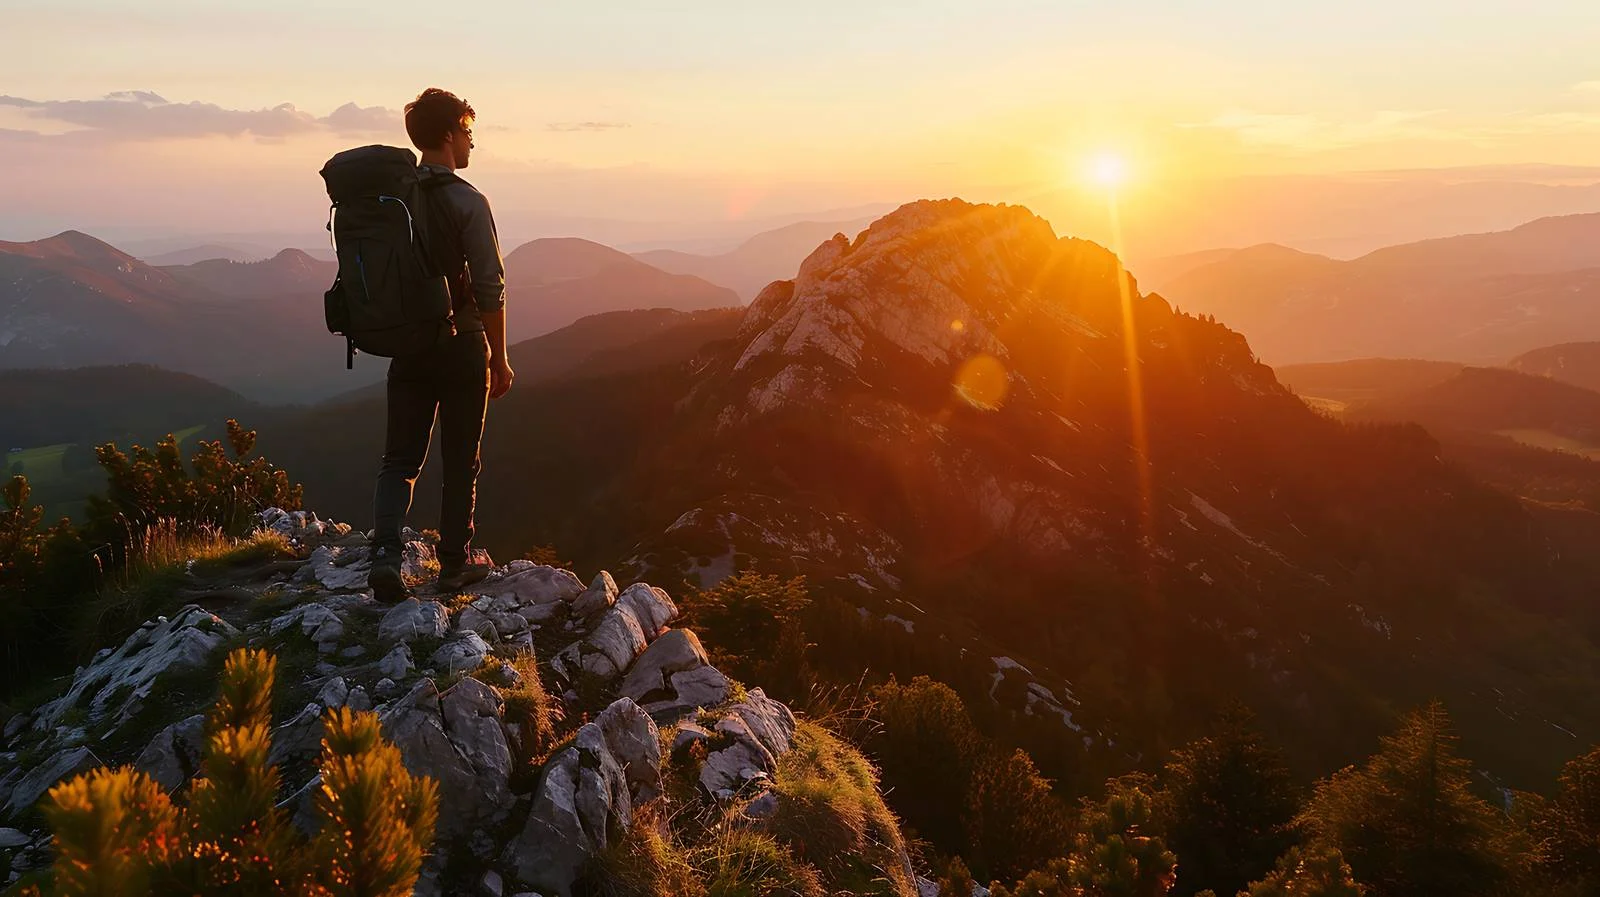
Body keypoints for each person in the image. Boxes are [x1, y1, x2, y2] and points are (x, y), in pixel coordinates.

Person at [368, 87, 515, 601]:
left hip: (407, 343)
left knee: (399, 460)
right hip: (461, 344)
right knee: (460, 459)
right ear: (450, 134)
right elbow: (491, 286)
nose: (472, 142)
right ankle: (454, 565)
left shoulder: (390, 199)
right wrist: (500, 357)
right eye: (469, 131)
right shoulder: (467, 201)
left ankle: (385, 555)